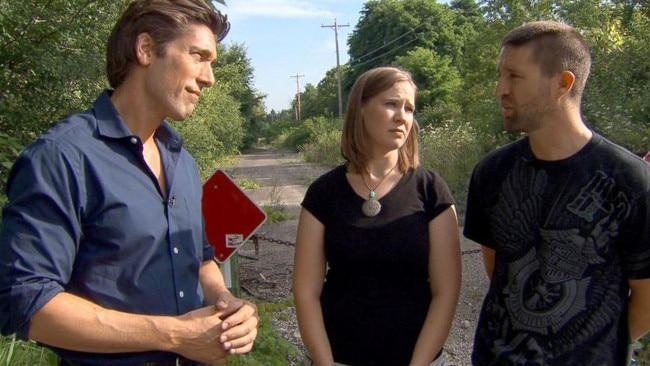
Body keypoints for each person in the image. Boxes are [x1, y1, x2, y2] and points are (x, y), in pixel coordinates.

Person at [0, 0, 259, 365]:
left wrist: (226, 303)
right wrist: (174, 335)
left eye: (211, 63)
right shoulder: (61, 157)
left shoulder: (182, 161)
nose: (209, 77)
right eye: (198, 56)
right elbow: (26, 302)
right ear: (146, 49)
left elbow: (199, 259)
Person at [463, 20, 650, 366]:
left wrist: (594, 348)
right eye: (500, 76)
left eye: (514, 77)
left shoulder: (630, 179)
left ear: (563, 83)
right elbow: (500, 269)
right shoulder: (492, 172)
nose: (499, 90)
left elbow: (648, 296)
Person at [292, 66, 462, 366]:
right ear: (360, 108)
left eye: (409, 108)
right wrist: (324, 363)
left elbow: (446, 291)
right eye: (391, 104)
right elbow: (306, 292)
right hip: (338, 357)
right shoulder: (324, 192)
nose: (402, 116)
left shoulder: (431, 189)